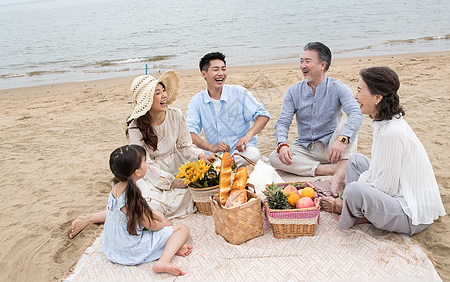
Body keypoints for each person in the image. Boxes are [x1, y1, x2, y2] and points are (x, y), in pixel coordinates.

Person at [69, 70, 214, 239]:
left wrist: (200, 156)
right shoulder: (135, 125)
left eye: (163, 91)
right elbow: (143, 163)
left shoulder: (176, 115)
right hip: (148, 172)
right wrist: (172, 181)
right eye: (157, 93)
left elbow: (184, 146)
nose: (163, 96)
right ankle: (91, 218)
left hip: (176, 165)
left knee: (197, 193)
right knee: (145, 206)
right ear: (146, 100)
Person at [321, 67, 446, 234]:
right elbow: (376, 171)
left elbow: (387, 187)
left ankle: (350, 210)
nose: (355, 97)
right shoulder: (384, 123)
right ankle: (356, 209)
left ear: (377, 97)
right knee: (355, 161)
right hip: (398, 192)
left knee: (353, 190)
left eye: (359, 91)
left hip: (411, 213)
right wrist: (353, 195)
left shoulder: (392, 132)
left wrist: (346, 200)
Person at [269, 42, 363, 196]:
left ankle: (339, 169)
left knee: (349, 124)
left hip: (332, 148)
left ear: (322, 65)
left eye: (307, 61)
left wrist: (342, 140)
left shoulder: (338, 88)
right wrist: (282, 144)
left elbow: (356, 114)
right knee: (275, 157)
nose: (302, 66)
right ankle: (331, 169)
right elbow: (283, 121)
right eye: (301, 61)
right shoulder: (293, 92)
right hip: (305, 148)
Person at [102, 144, 192, 275]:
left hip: (114, 244)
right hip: (131, 247)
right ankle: (163, 261)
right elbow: (151, 225)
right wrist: (164, 224)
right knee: (182, 229)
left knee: (156, 214)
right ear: (137, 172)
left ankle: (167, 247)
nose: (146, 163)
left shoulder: (116, 187)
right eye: (144, 161)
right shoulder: (132, 196)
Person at [186, 52, 270, 167]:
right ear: (204, 74)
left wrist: (248, 136)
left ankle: (221, 168)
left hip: (241, 152)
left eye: (223, 69)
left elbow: (263, 115)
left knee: (253, 154)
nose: (221, 73)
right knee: (185, 157)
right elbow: (190, 133)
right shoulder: (197, 101)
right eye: (215, 69)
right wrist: (212, 147)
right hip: (215, 154)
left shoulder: (239, 92)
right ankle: (223, 167)